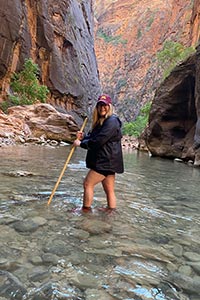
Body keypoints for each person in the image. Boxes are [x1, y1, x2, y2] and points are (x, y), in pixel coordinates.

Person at [73, 94, 124, 212]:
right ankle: (110, 213)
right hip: (109, 162)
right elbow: (93, 137)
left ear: (109, 106)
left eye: (105, 105)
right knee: (109, 190)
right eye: (100, 105)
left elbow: (99, 141)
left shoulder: (112, 121)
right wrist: (84, 137)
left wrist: (81, 144)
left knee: (87, 184)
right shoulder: (102, 122)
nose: (102, 108)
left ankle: (85, 211)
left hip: (105, 161)